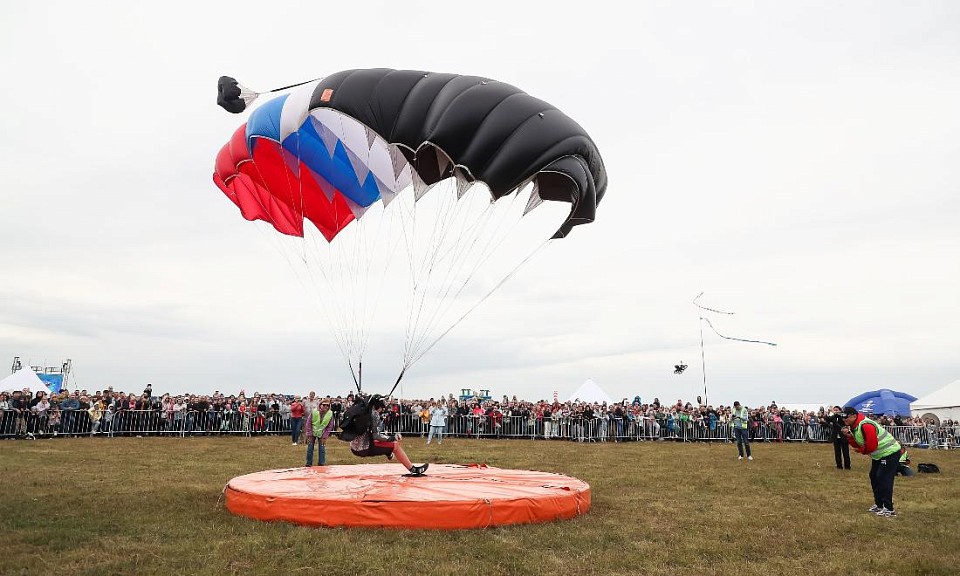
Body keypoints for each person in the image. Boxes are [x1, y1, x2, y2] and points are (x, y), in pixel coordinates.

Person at [841, 406, 902, 517]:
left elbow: (872, 446)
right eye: (843, 417)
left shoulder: (866, 425)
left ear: (854, 416)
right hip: (879, 455)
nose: (844, 419)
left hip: (890, 452)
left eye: (846, 417)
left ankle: (889, 509)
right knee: (874, 476)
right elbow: (858, 444)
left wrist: (860, 450)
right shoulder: (855, 426)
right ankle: (879, 505)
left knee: (883, 478)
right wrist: (849, 437)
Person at [350, 396, 428, 476]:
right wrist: (392, 438)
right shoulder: (374, 414)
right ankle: (413, 469)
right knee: (395, 445)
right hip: (365, 448)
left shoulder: (361, 413)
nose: (381, 410)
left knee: (386, 444)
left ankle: (388, 453)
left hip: (354, 447)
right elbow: (376, 436)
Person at [305, 399, 335, 466]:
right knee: (310, 448)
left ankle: (321, 464)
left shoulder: (330, 414)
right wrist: (309, 434)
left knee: (322, 449)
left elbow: (330, 426)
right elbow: (308, 423)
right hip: (312, 432)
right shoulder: (314, 412)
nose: (325, 407)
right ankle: (308, 464)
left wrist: (325, 436)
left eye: (327, 405)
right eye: (324, 405)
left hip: (322, 433)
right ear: (320, 405)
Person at [823, 406, 851, 470]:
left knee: (846, 452)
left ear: (840, 410)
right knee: (837, 452)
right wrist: (827, 412)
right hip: (836, 436)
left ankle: (847, 466)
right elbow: (827, 419)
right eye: (834, 410)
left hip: (843, 436)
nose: (835, 411)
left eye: (837, 410)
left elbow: (843, 417)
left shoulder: (843, 415)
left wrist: (835, 412)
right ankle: (839, 466)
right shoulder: (833, 417)